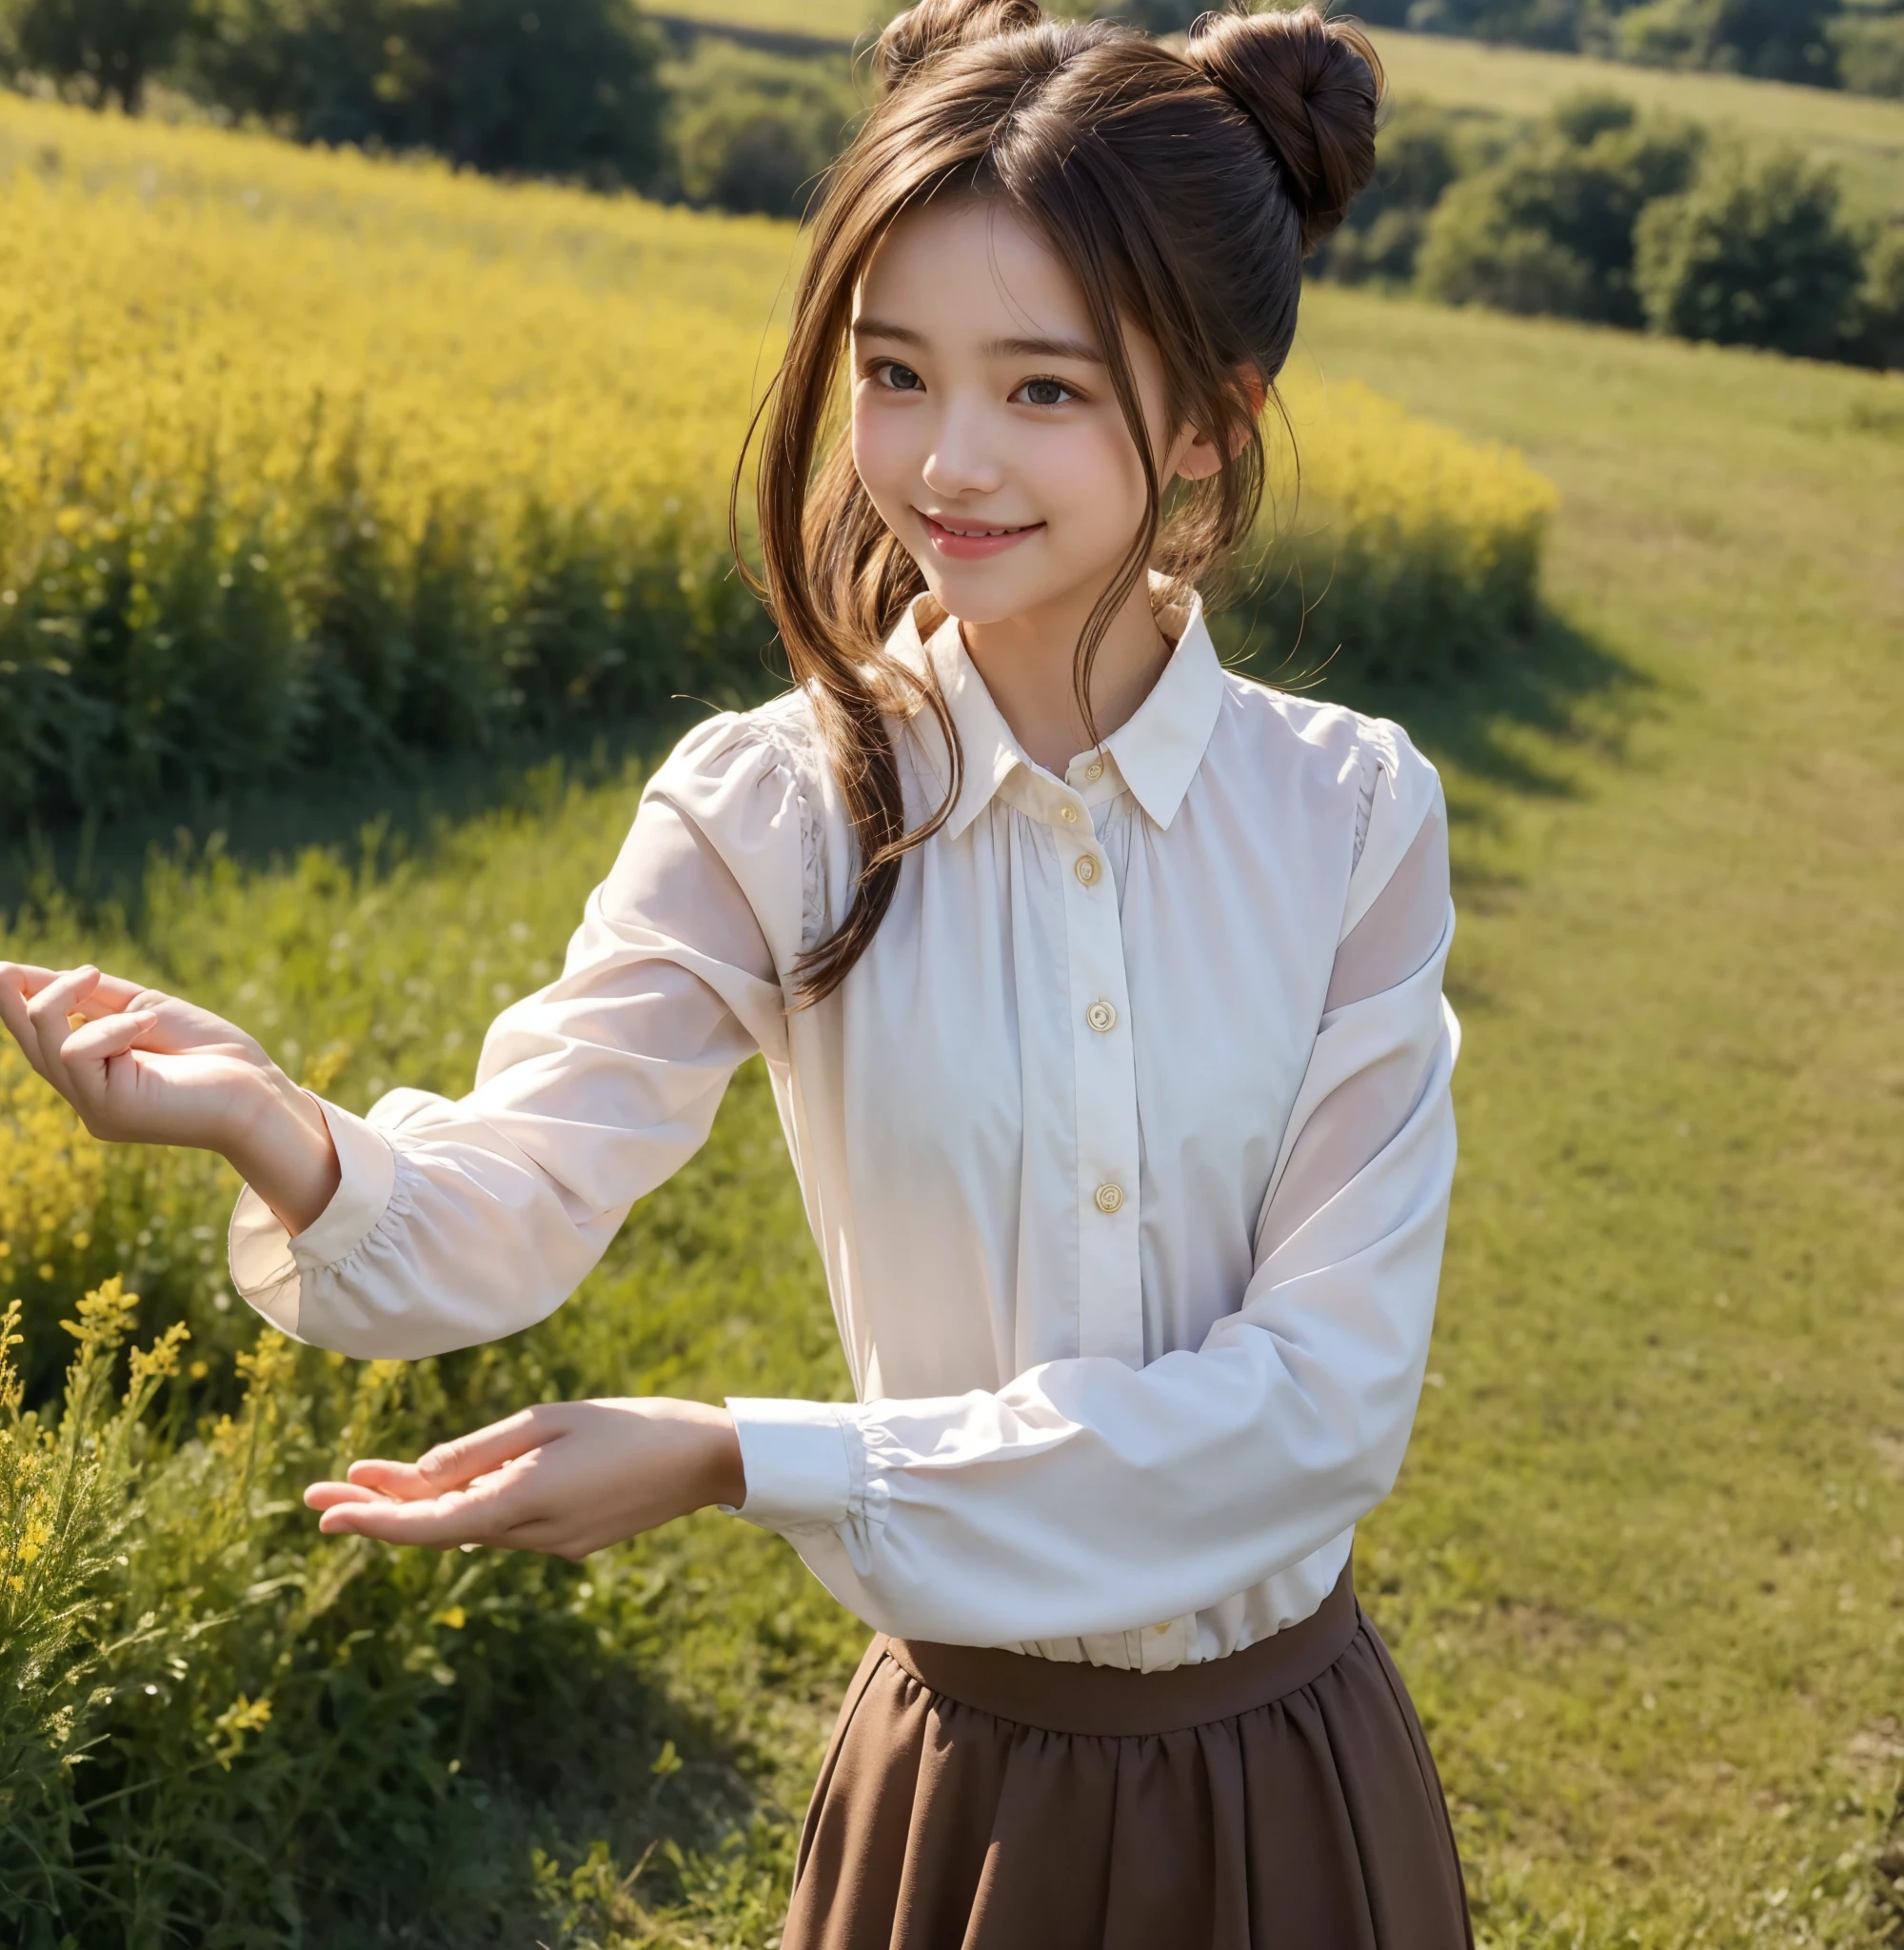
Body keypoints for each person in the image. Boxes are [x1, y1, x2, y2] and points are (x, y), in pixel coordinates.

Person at [0, 3, 1473, 1941]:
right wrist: (283, 1136)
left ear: (1211, 416)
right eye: (892, 372)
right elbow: (508, 1201)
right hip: (955, 1795)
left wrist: (734, 1458)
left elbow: (1317, 1412)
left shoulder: (1350, 815)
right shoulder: (777, 806)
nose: (944, 460)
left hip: (1286, 1779)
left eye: (1044, 389)